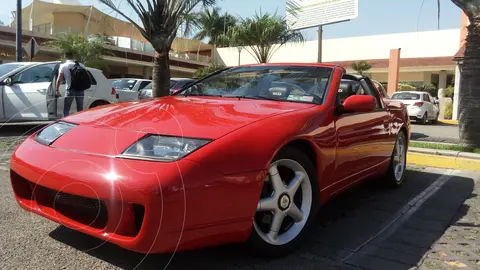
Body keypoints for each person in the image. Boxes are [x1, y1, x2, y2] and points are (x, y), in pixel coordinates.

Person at [55, 52, 86, 117]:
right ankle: (80, 122)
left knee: (66, 108)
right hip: (80, 89)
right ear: (73, 57)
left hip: (70, 89)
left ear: (65, 57)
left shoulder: (63, 66)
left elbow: (59, 79)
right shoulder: (81, 65)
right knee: (80, 108)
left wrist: (57, 90)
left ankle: (66, 121)